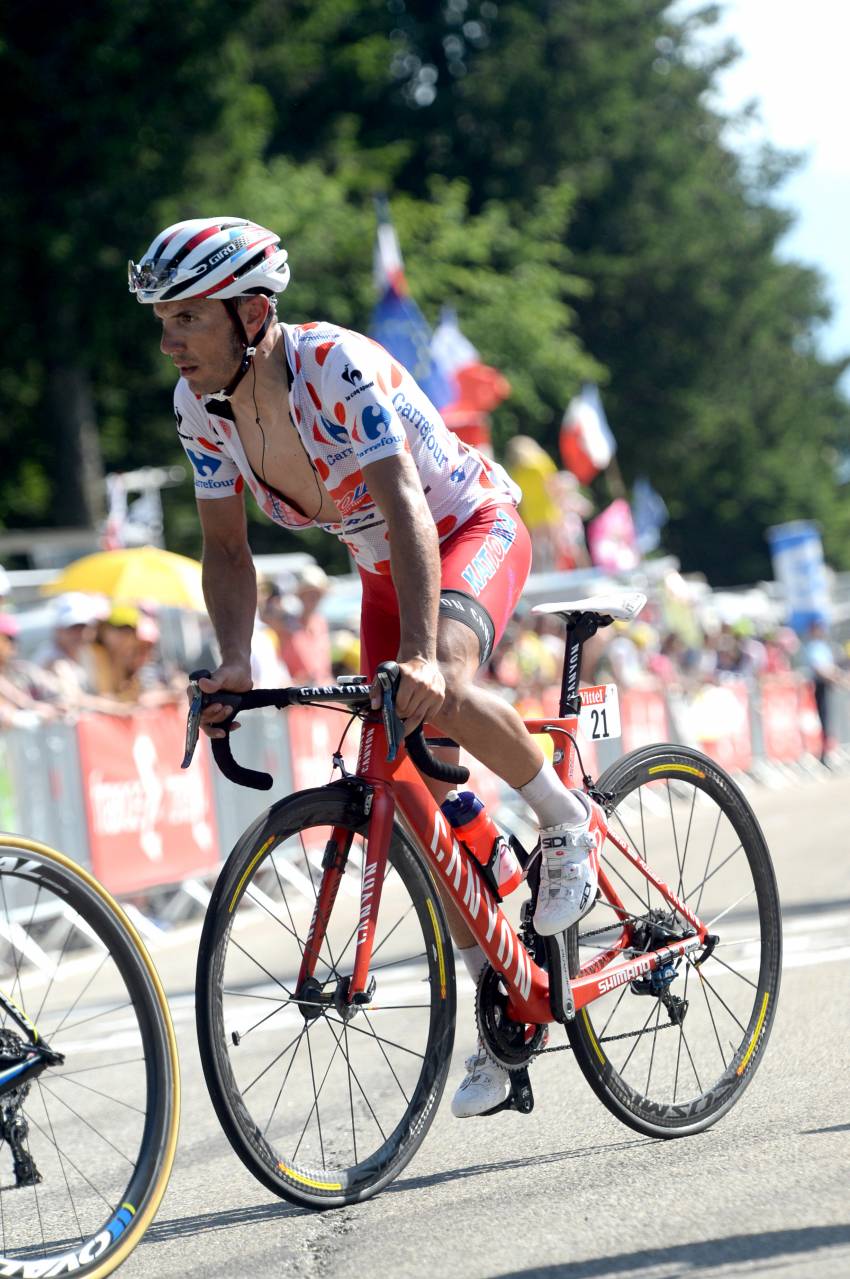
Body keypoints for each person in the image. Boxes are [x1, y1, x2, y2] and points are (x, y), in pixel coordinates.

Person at [129, 215, 607, 1117]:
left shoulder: (331, 367)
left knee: (446, 684)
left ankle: (561, 815)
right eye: (164, 320)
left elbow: (409, 510)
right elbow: (227, 553)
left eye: (187, 316)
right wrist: (235, 660)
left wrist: (425, 654)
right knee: (419, 798)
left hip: (464, 530)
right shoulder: (200, 411)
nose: (169, 340)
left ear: (251, 312)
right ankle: (500, 1002)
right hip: (384, 566)